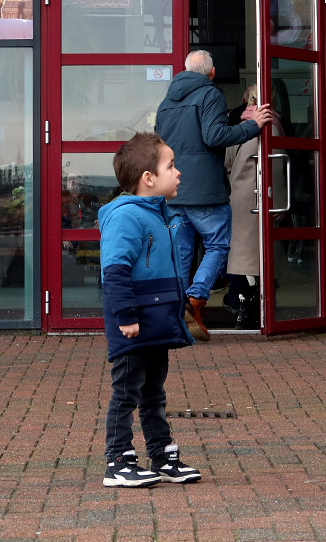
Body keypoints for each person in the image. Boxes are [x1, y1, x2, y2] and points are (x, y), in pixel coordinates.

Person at [99, 132, 201, 488]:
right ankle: (118, 461)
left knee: (154, 394)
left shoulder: (160, 214)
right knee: (127, 392)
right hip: (134, 326)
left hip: (156, 324)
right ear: (148, 178)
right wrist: (126, 316)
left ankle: (161, 455)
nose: (178, 173)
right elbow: (115, 271)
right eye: (170, 166)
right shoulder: (128, 217)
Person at [155, 50, 272, 342]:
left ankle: (178, 314)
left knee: (180, 253)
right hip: (205, 190)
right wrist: (252, 126)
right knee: (218, 244)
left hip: (174, 189)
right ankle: (196, 300)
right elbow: (214, 136)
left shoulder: (166, 102)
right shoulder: (210, 95)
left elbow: (158, 144)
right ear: (212, 72)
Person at [223, 85, 285, 330]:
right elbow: (277, 166)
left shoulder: (238, 127)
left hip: (237, 199)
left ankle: (241, 304)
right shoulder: (272, 126)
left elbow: (228, 162)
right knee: (259, 257)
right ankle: (255, 309)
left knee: (242, 255)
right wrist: (279, 202)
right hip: (262, 199)